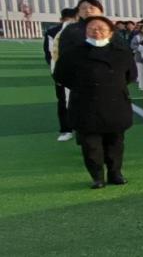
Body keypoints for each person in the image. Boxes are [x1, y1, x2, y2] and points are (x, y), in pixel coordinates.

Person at [53, 16, 136, 188]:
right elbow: (61, 75)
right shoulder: (73, 53)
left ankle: (115, 173)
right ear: (86, 32)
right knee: (90, 144)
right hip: (85, 104)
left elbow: (130, 75)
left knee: (115, 143)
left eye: (101, 29)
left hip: (115, 103)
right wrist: (83, 86)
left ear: (110, 33)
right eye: (92, 29)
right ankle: (97, 177)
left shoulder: (122, 52)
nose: (96, 32)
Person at [44, 7, 78, 142]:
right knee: (64, 101)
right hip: (64, 72)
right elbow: (50, 54)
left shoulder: (84, 29)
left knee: (68, 101)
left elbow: (48, 55)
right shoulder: (53, 32)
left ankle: (69, 130)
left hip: (76, 72)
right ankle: (67, 129)